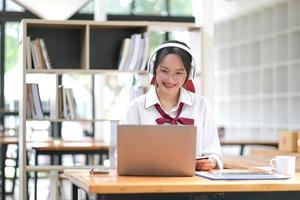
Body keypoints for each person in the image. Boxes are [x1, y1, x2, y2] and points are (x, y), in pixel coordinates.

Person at [125, 40, 223, 171]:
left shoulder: (202, 106)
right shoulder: (135, 108)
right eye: (164, 71)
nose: (170, 79)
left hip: (192, 185)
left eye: (178, 73)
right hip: (148, 183)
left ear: (188, 74)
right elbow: (123, 156)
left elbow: (214, 152)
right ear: (154, 70)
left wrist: (211, 161)